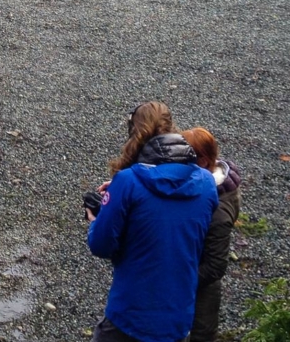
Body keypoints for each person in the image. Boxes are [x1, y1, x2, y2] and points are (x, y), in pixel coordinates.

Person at [86, 102, 218, 342]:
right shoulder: (207, 184)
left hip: (130, 316)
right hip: (177, 318)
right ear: (172, 129)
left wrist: (99, 215)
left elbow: (101, 245)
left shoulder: (128, 182)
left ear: (133, 133)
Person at [180, 128, 243, 342]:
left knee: (202, 334)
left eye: (184, 159)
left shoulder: (217, 213)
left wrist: (178, 280)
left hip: (200, 281)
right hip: (190, 267)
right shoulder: (211, 182)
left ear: (204, 161)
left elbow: (215, 266)